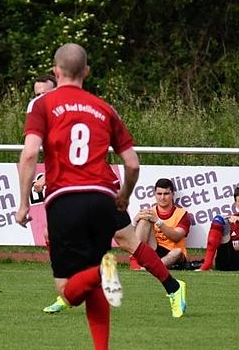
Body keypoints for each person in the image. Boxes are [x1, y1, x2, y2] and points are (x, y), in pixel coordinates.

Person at [15, 43, 186, 350]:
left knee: (70, 288)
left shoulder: (42, 105)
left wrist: (23, 203)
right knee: (108, 254)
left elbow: (29, 154)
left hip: (67, 197)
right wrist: (124, 196)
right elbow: (132, 164)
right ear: (87, 72)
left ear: (55, 72)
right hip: (104, 196)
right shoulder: (104, 108)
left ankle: (148, 282)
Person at [28, 82, 186, 317]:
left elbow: (77, 156)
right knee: (55, 235)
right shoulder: (49, 113)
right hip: (78, 187)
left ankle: (173, 288)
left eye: (45, 93)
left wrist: (46, 178)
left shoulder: (72, 113)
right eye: (37, 94)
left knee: (127, 241)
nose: (40, 97)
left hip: (98, 187)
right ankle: (70, 291)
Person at [130, 178, 193, 270]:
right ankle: (135, 260)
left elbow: (176, 237)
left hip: (173, 252)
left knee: (177, 252)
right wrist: (135, 222)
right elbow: (130, 238)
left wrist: (158, 221)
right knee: (144, 220)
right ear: (155, 195)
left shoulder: (182, 214)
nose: (162, 197)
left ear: (173, 194)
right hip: (154, 249)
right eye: (159, 194)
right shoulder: (150, 212)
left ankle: (151, 268)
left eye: (166, 194)